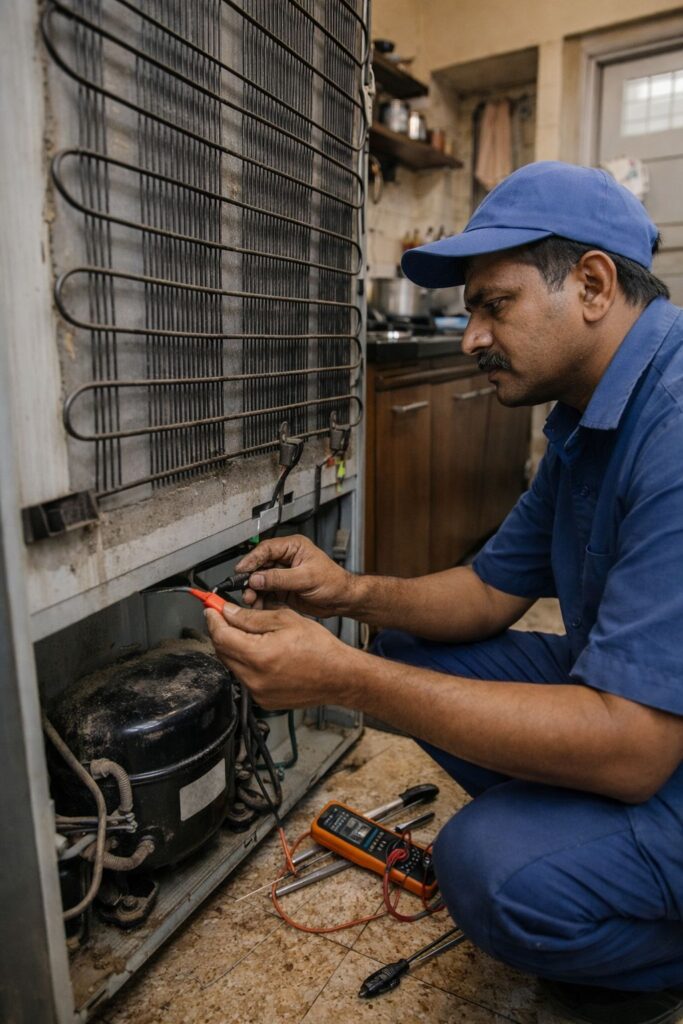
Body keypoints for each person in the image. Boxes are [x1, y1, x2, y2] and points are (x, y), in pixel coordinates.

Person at [206, 161, 683, 1024]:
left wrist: (345, 681)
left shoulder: (676, 428)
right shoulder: (589, 412)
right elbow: (486, 592)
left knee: (486, 869)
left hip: (654, 744)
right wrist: (346, 591)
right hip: (644, 722)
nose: (469, 337)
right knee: (409, 643)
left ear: (590, 284)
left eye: (491, 304)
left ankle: (643, 949)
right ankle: (580, 844)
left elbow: (634, 751)